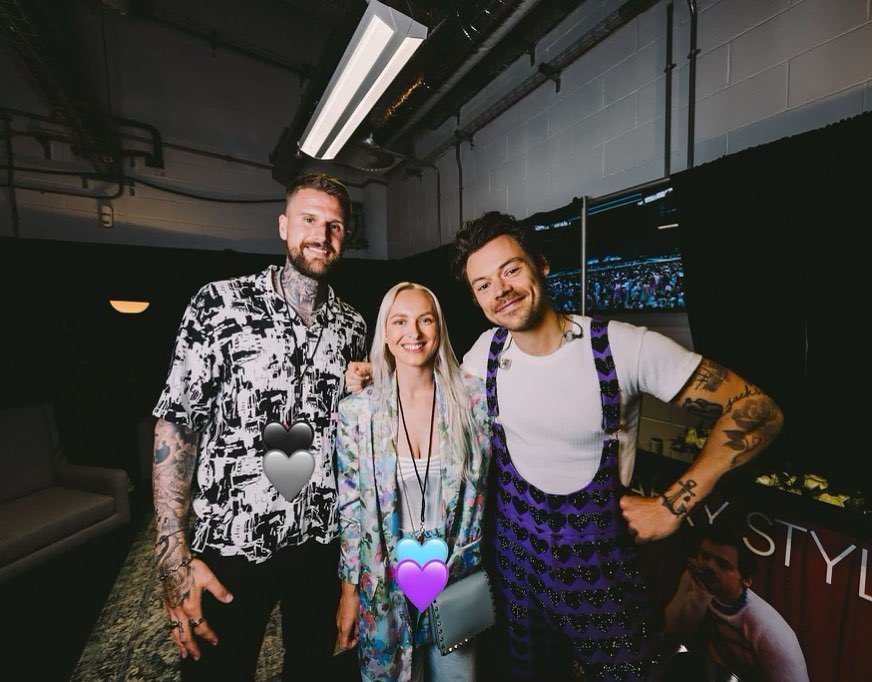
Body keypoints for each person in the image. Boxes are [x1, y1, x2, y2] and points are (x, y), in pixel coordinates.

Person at [152, 172, 366, 681]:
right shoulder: (219, 304)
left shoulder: (353, 326)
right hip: (231, 543)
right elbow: (176, 428)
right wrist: (173, 558)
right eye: (309, 219)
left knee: (311, 669)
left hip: (320, 543)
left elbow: (355, 442)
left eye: (334, 225)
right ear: (283, 225)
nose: (321, 234)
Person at [334, 282, 491, 682]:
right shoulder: (358, 412)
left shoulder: (474, 401)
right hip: (384, 581)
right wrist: (349, 594)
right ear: (385, 333)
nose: (414, 333)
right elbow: (351, 513)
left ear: (439, 327)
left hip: (455, 574)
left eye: (425, 320)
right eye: (399, 321)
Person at [664, 525, 809, 682]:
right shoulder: (695, 580)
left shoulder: (771, 632)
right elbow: (676, 629)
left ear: (746, 581)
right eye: (705, 556)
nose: (709, 566)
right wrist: (700, 596)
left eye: (723, 565)